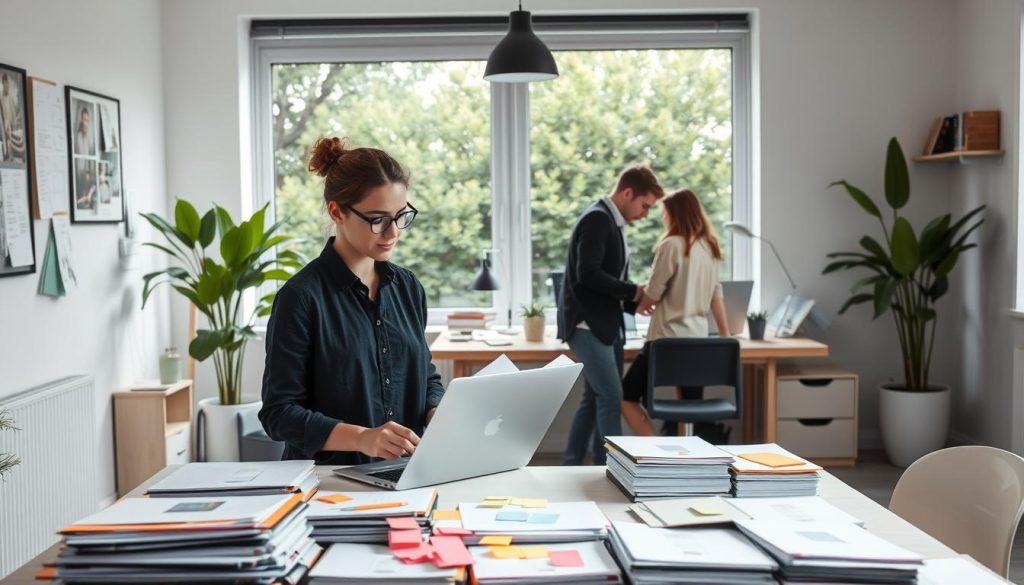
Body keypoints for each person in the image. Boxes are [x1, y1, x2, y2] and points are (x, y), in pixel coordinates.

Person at [260, 136, 443, 465]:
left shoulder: (408, 288)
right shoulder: (301, 298)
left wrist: (437, 411)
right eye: (378, 219)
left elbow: (424, 375)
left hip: (406, 472)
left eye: (401, 216)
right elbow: (279, 414)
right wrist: (363, 438)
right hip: (327, 484)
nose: (393, 233)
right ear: (337, 212)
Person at [557, 164, 665, 465]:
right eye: (644, 205)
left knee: (593, 398)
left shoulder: (610, 221)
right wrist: (634, 292)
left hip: (603, 323)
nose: (645, 214)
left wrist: (634, 304)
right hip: (588, 325)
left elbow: (605, 279)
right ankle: (614, 469)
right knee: (610, 398)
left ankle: (573, 464)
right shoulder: (597, 220)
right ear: (627, 192)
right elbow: (588, 275)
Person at [620, 188, 731, 437]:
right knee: (688, 409)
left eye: (666, 214)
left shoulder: (671, 244)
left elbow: (654, 292)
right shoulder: (710, 247)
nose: (663, 219)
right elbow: (716, 295)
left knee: (626, 397)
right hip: (697, 342)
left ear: (675, 215)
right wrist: (726, 336)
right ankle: (682, 463)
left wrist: (642, 303)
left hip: (665, 341)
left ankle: (657, 452)